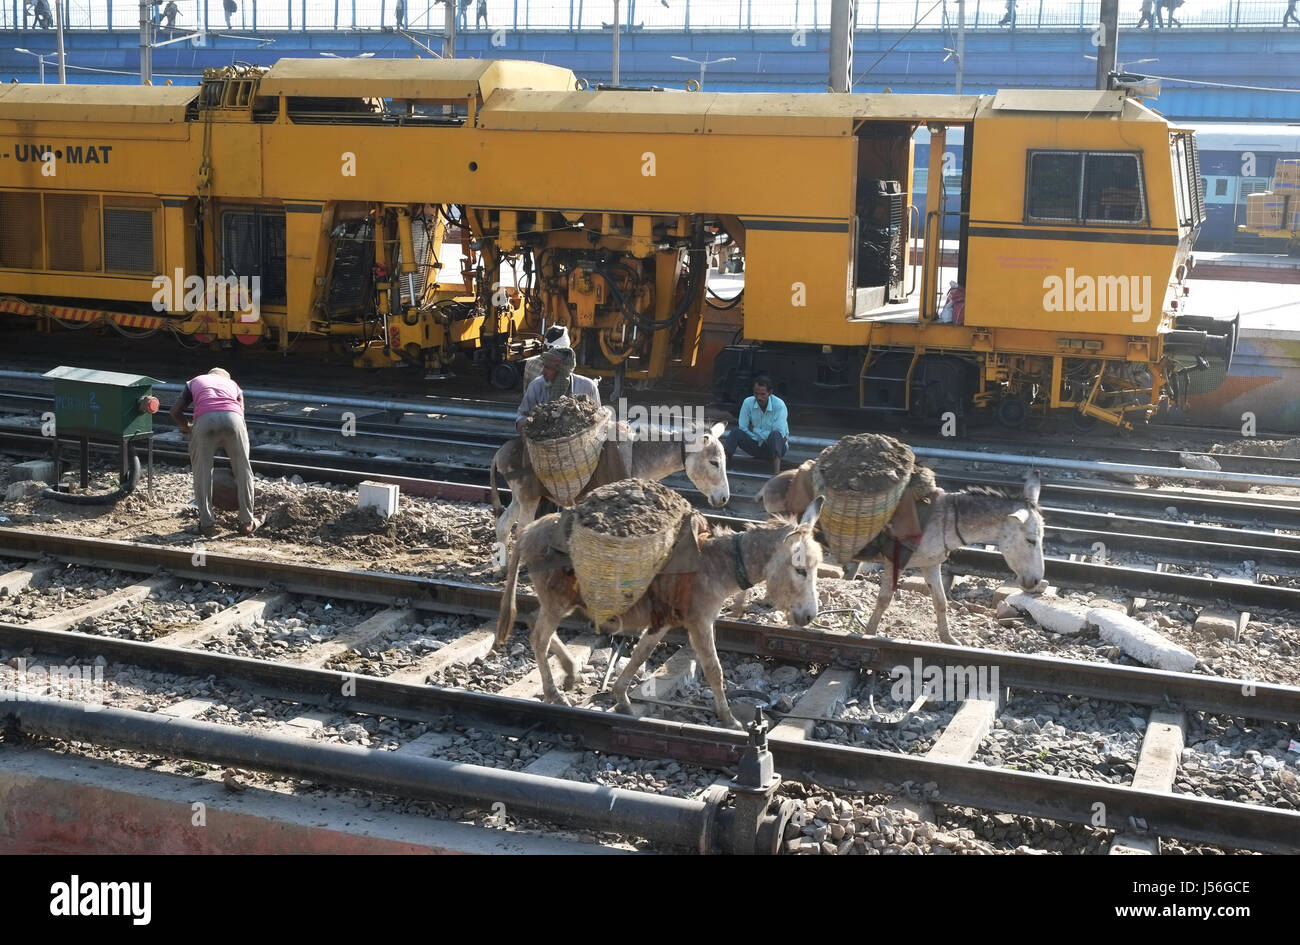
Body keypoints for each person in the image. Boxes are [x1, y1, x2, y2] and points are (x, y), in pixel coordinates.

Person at [170, 368, 258, 536]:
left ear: (209, 375)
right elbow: (240, 412)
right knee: (243, 470)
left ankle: (207, 525)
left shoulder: (195, 381)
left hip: (205, 420)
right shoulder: (234, 385)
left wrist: (186, 427)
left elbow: (175, 412)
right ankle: (247, 523)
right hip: (234, 419)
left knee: (202, 472)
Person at [515, 346, 600, 434]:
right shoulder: (536, 386)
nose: (543, 372)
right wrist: (531, 422)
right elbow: (521, 416)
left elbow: (598, 419)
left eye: (548, 368)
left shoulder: (588, 387)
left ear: (562, 371)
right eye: (544, 366)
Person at [722, 375, 788, 474]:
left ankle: (776, 473)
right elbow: (743, 427)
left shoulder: (779, 405)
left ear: (770, 393)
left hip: (774, 447)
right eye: (756, 394)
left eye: (762, 394)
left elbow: (780, 433)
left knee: (775, 436)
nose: (759, 397)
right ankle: (723, 466)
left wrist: (755, 430)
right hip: (755, 445)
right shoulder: (748, 402)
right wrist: (759, 436)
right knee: (736, 432)